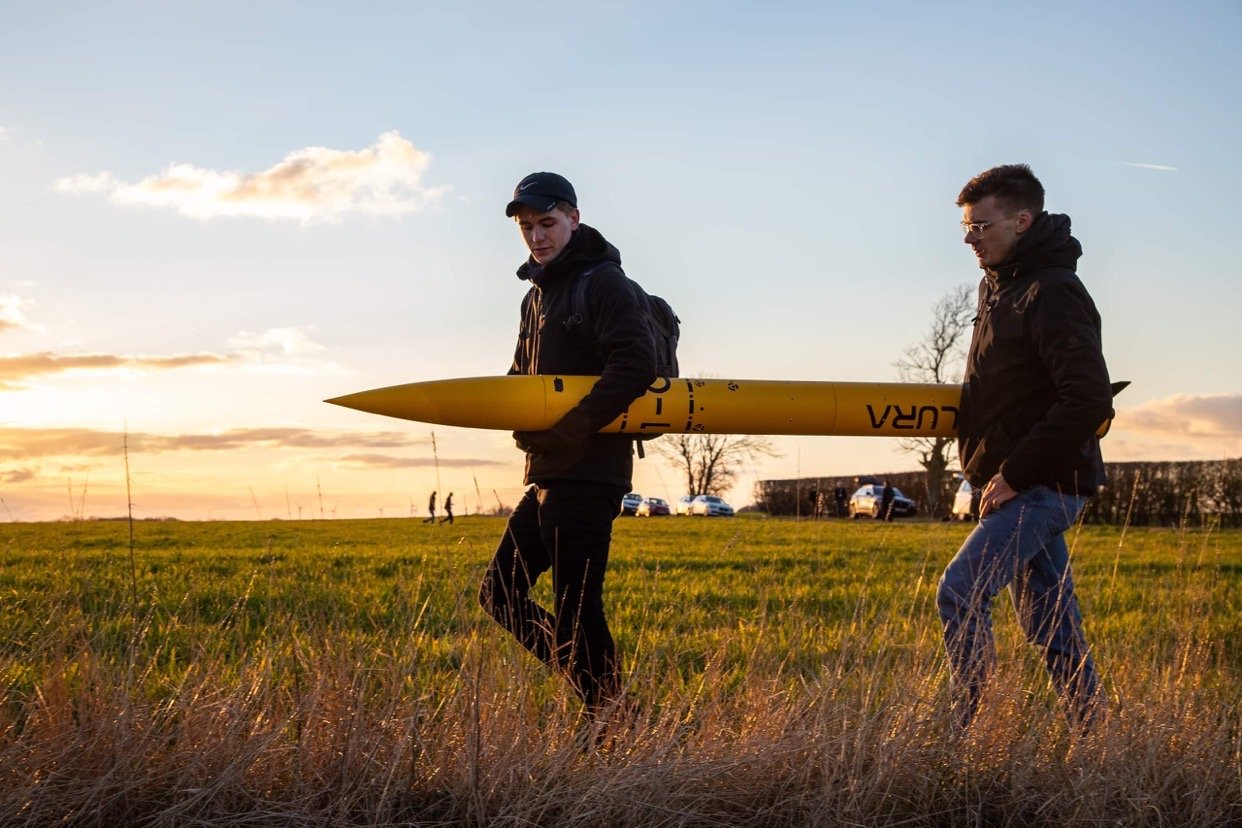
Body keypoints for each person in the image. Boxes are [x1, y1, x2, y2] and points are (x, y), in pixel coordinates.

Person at [937, 164, 1113, 732]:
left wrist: (1014, 473)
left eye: (980, 226)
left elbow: (1087, 397)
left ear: (1022, 221)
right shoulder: (1000, 285)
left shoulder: (1052, 291)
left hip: (1042, 484)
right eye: (965, 227)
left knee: (960, 592)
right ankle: (1095, 736)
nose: (970, 239)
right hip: (1017, 483)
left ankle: (968, 733)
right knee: (1052, 623)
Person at [479, 171, 656, 724]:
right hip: (548, 471)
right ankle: (610, 706)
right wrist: (520, 423)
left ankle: (613, 718)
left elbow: (636, 363)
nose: (537, 236)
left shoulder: (604, 282)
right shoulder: (535, 297)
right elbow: (521, 378)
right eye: (527, 227)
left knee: (576, 607)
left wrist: (574, 428)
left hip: (592, 469)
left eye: (548, 223)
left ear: (574, 219)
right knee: (499, 594)